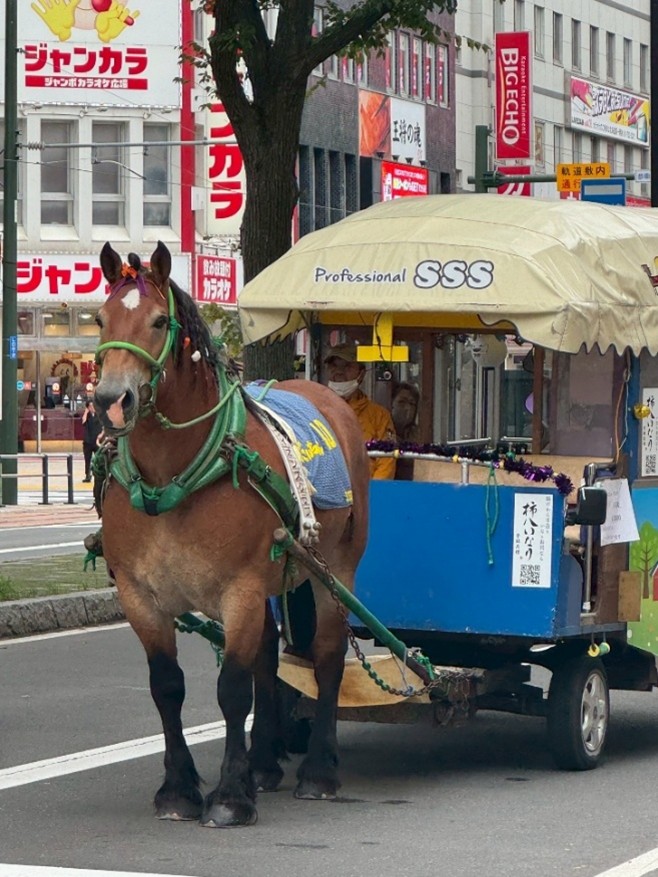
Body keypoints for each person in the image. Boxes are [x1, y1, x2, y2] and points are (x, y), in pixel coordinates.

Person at [324, 342, 396, 480]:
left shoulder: (379, 416)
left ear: (361, 374)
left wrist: (371, 495)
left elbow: (387, 461)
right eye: (333, 366)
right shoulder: (314, 409)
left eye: (347, 366)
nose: (339, 372)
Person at [81, 401, 102, 482]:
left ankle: (98, 475)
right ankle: (87, 475)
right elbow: (83, 422)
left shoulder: (99, 416)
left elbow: (104, 427)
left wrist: (101, 435)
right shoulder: (87, 416)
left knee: (99, 459)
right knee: (87, 460)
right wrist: (86, 412)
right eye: (90, 406)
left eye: (93, 406)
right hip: (88, 442)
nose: (92, 408)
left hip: (97, 441)